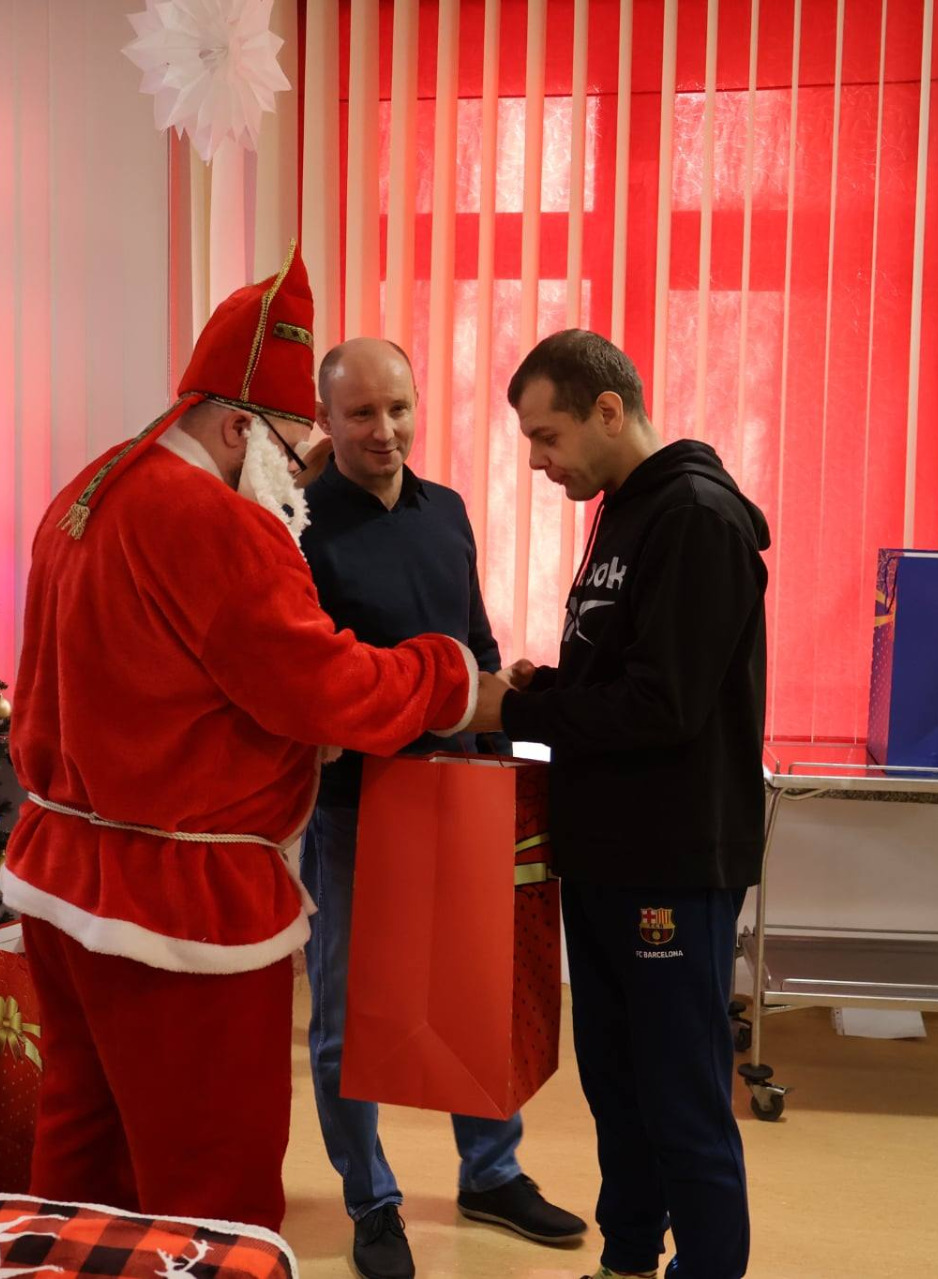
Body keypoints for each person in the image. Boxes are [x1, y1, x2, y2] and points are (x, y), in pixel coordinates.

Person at [1, 248, 503, 1231]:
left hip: (65, 874)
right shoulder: (214, 520)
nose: (299, 473)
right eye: (290, 444)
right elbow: (320, 685)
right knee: (213, 1173)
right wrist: (450, 674)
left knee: (87, 1143)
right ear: (238, 426)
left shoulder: (97, 482)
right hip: (174, 904)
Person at [298, 337, 587, 1279]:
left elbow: (475, 643)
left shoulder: (448, 510)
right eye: (361, 414)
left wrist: (499, 761)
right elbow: (308, 676)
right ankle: (371, 1199)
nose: (385, 430)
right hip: (356, 800)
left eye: (399, 409)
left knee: (476, 988)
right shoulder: (297, 527)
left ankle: (490, 1173)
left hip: (462, 786)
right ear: (326, 418)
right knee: (348, 1014)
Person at [489, 329, 771, 1279]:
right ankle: (626, 1256)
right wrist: (554, 682)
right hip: (605, 850)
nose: (537, 460)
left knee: (680, 1091)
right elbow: (628, 666)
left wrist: (517, 710)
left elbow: (664, 705)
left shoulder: (696, 517)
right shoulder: (623, 510)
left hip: (672, 860)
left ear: (609, 411)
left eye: (548, 435)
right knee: (617, 1082)